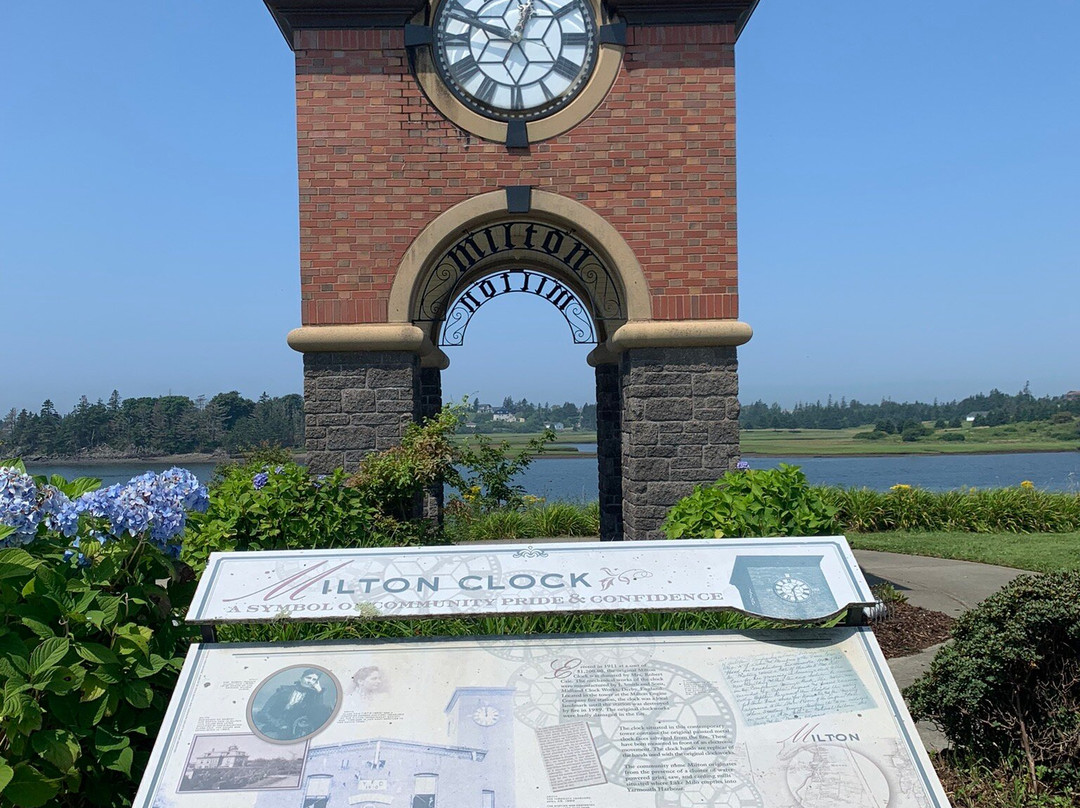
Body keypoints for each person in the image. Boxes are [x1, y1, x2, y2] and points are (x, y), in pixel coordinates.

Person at [254, 668, 332, 740]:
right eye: (308, 678)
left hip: (295, 730)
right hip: (274, 726)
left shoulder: (312, 696)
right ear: (301, 678)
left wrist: (319, 692)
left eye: (314, 680)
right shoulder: (284, 690)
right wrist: (279, 724)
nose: (310, 681)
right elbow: (264, 712)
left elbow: (318, 713)